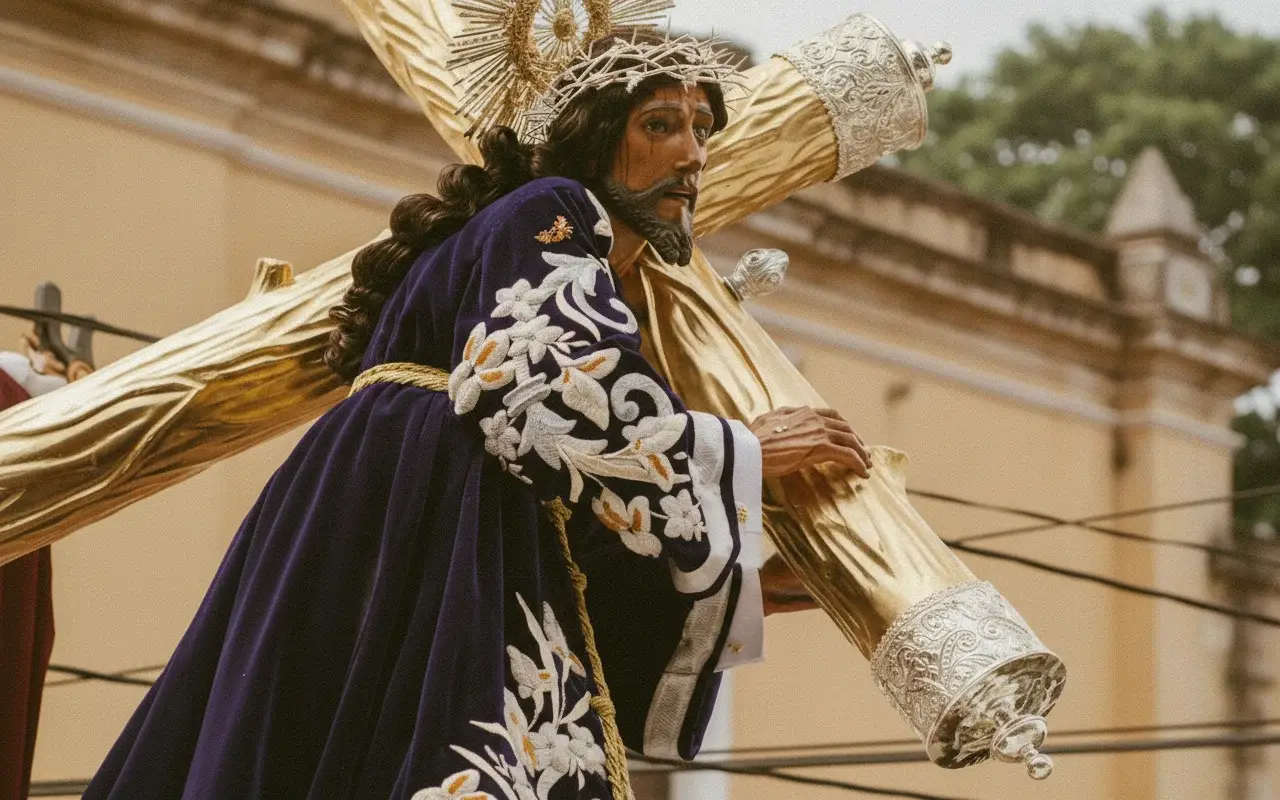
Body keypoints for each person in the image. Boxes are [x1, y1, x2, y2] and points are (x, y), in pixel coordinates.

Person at [85, 34, 869, 800]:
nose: (692, 155)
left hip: (420, 496)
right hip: (422, 494)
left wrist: (738, 586)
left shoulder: (567, 260)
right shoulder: (554, 209)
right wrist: (739, 449)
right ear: (592, 138)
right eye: (658, 125)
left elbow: (571, 524)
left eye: (702, 130)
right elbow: (537, 386)